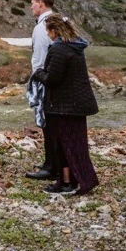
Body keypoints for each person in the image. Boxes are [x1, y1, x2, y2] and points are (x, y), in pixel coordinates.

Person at [31, 16, 100, 195]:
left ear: (54, 31)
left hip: (62, 107)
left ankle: (66, 183)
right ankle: (82, 178)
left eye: (48, 31)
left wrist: (38, 73)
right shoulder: (76, 46)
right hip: (77, 105)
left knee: (62, 145)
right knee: (77, 144)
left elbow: (52, 80)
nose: (47, 34)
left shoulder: (58, 49)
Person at [25, 0, 57, 181]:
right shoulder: (56, 21)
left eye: (33, 3)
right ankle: (51, 162)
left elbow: (39, 57)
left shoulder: (42, 27)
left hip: (45, 78)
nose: (31, 6)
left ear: (42, 3)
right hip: (53, 76)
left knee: (47, 123)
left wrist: (38, 75)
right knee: (51, 123)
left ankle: (50, 165)